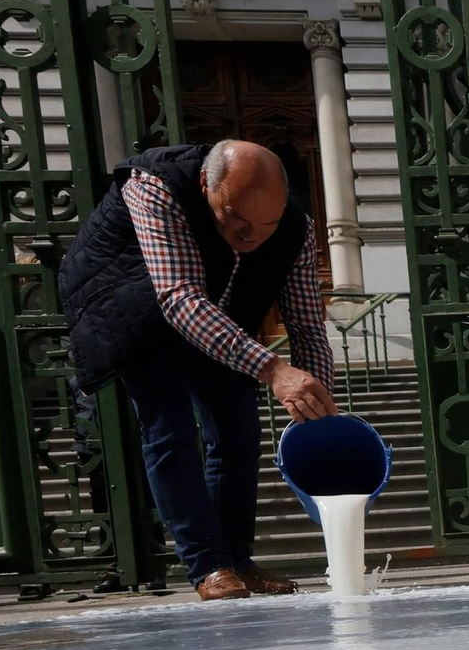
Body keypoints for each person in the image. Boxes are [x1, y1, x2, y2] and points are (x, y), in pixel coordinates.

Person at [60, 140, 338, 599]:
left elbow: (306, 323)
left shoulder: (297, 229)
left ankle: (238, 561)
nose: (252, 238)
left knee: (238, 433)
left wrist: (318, 401)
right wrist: (271, 368)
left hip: (221, 313)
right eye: (236, 220)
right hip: (134, 306)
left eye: (266, 224)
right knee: (169, 429)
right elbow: (180, 299)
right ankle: (207, 565)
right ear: (207, 184)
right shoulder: (154, 186)